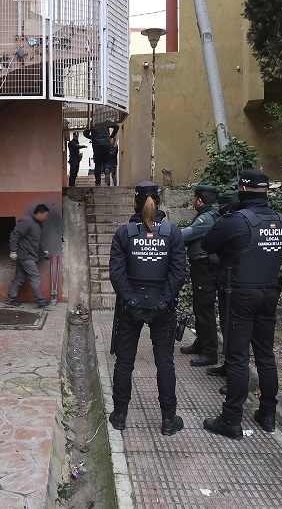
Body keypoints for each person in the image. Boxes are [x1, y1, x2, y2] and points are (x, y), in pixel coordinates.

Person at [200, 170, 282, 439]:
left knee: (238, 357)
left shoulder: (236, 220)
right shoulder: (281, 221)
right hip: (270, 292)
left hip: (240, 294)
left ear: (241, 188)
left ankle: (231, 418)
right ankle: (268, 415)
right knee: (266, 355)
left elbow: (208, 244)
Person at [108, 182, 187, 435]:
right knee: (165, 363)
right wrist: (162, 302)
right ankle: (168, 420)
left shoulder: (124, 233)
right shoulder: (173, 233)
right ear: (159, 201)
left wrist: (131, 302)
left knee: (124, 362)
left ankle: (119, 416)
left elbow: (116, 273)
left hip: (130, 307)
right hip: (162, 307)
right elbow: (178, 273)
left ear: (135, 202)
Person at [177, 185, 221, 367]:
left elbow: (187, 234)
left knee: (204, 310)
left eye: (194, 198)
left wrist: (164, 234)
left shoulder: (207, 218)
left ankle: (210, 352)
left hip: (205, 268)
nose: (194, 202)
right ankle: (201, 342)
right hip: (201, 267)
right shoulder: (211, 214)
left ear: (199, 200)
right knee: (199, 306)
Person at [207, 190, 240, 382]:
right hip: (228, 279)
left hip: (237, 283)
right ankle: (229, 366)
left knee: (235, 331)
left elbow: (210, 245)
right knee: (227, 326)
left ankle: (236, 378)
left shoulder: (232, 221)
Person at [5, 204, 51, 308]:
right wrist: (13, 251)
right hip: (26, 255)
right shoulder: (27, 221)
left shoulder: (38, 225)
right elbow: (14, 234)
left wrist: (44, 251)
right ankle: (40, 300)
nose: (46, 218)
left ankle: (10, 300)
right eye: (45, 215)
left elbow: (39, 240)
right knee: (34, 276)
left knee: (19, 278)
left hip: (29, 255)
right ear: (39, 213)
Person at [83, 121, 119, 186]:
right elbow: (116, 126)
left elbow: (85, 133)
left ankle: (98, 182)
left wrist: (92, 137)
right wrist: (111, 136)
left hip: (96, 143)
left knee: (98, 163)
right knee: (106, 161)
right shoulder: (106, 120)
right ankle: (107, 169)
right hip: (106, 142)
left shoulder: (92, 122)